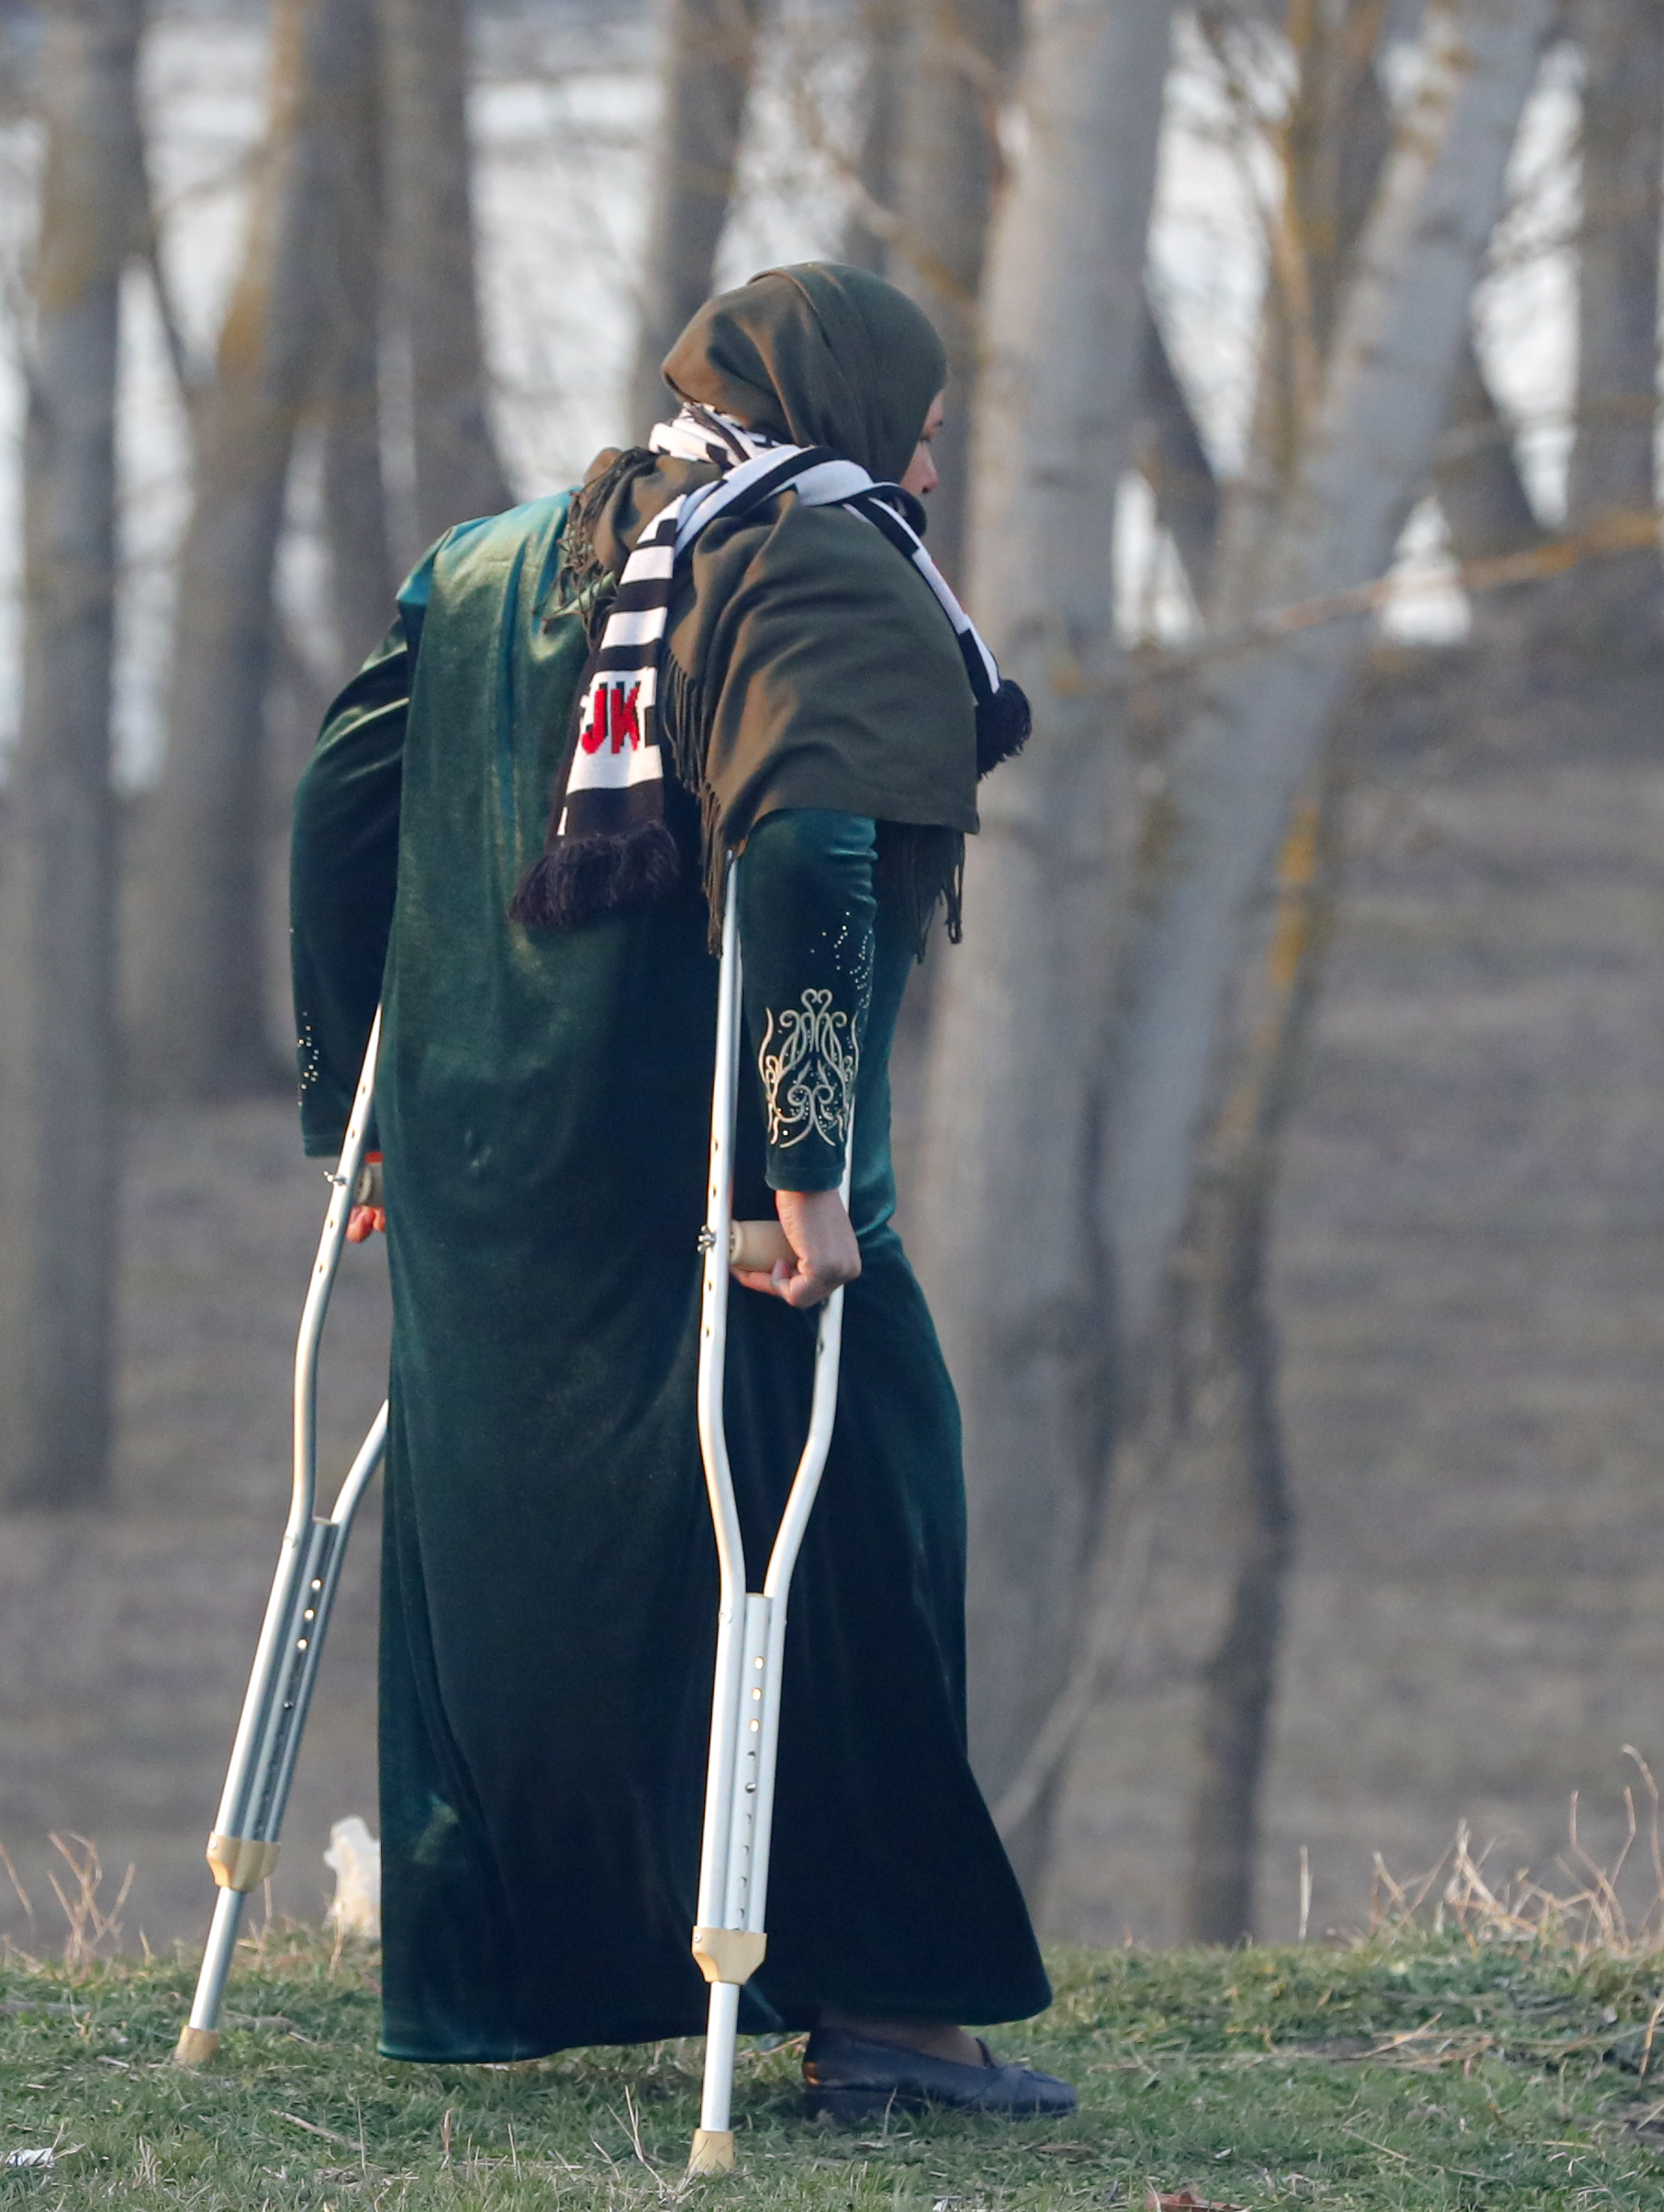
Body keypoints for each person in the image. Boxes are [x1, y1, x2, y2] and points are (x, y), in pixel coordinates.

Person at [286, 263, 1072, 2123]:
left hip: (495, 1190)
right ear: (847, 397)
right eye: (924, 404)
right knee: (860, 1529)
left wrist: (357, 1099)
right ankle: (888, 2011)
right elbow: (809, 853)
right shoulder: (813, 557)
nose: (939, 444)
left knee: (553, 1571)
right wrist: (806, 1166)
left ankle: (523, 1961)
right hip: (718, 1193)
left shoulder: (498, 557)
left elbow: (338, 795)